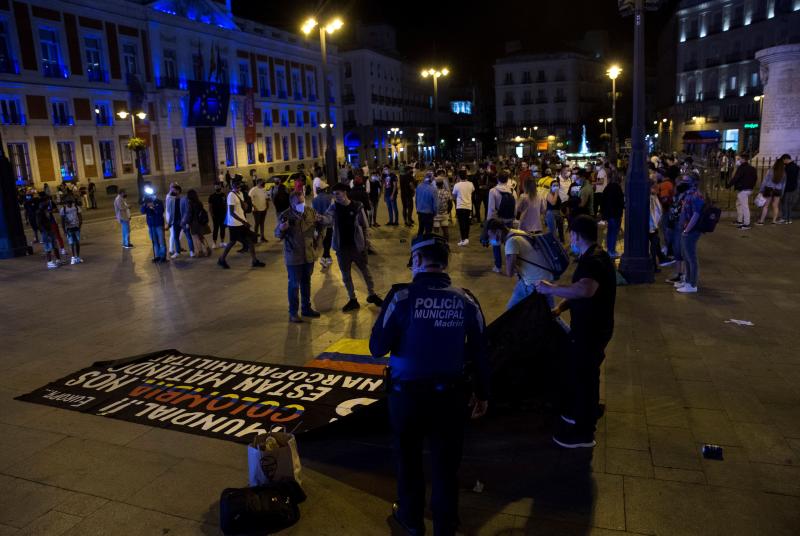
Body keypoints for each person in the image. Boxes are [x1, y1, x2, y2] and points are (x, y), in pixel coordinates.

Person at [369, 234, 489, 536]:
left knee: (408, 459)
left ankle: (411, 519)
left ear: (419, 260)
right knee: (446, 465)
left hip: (406, 398)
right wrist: (483, 393)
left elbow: (376, 347)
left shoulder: (401, 297)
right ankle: (445, 525)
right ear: (445, 262)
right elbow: (480, 351)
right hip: (450, 398)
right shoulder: (466, 299)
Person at [535, 215, 616, 448]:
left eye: (571, 233)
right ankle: (581, 411)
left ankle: (584, 432)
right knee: (582, 373)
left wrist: (552, 288)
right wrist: (561, 307)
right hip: (590, 327)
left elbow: (585, 289)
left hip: (592, 330)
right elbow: (580, 291)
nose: (569, 237)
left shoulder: (593, 261)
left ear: (576, 235)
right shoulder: (592, 256)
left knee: (585, 377)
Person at [322, 183, 384, 312]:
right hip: (341, 248)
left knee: (366, 272)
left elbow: (365, 225)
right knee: (346, 275)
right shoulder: (334, 207)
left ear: (345, 192)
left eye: (338, 194)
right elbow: (327, 219)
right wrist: (320, 218)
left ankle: (372, 294)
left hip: (357, 246)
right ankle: (352, 299)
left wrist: (366, 243)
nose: (336, 197)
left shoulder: (357, 206)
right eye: (334, 194)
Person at [486, 219, 556, 309]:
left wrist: (511, 262)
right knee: (512, 309)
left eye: (491, 236)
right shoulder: (516, 232)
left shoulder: (511, 242)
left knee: (547, 317)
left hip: (536, 284)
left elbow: (509, 273)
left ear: (498, 232)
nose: (491, 240)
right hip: (539, 278)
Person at [275, 191, 321, 322]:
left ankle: (306, 308)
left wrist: (317, 241)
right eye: (299, 202)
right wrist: (282, 229)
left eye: (303, 201)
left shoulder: (310, 212)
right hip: (294, 257)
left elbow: (319, 227)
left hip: (309, 255)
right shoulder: (285, 215)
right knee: (294, 285)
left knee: (306, 283)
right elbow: (277, 234)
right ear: (292, 203)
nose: (302, 204)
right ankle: (293, 312)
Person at [217, 180, 265, 269]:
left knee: (250, 241)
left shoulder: (240, 193)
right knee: (232, 242)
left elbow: (241, 209)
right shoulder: (231, 195)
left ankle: (254, 261)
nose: (238, 186)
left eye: (238, 185)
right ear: (232, 186)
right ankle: (222, 259)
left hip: (241, 222)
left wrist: (244, 217)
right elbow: (231, 213)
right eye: (236, 185)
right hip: (234, 224)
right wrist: (244, 222)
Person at [676, 175, 704, 293]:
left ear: (693, 182)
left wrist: (687, 230)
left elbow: (696, 214)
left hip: (692, 230)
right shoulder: (688, 194)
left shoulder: (695, 196)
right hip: (686, 229)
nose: (683, 182)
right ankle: (687, 281)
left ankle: (692, 284)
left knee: (691, 257)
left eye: (686, 180)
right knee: (686, 255)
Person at [486, 173, 517, 272]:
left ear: (497, 179)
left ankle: (498, 266)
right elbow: (515, 206)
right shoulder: (512, 190)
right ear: (507, 179)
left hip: (498, 221)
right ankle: (512, 266)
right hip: (509, 220)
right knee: (510, 243)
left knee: (496, 243)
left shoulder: (493, 191)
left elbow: (491, 208)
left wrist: (489, 222)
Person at [140, 184, 167, 263]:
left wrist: (153, 207)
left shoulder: (158, 202)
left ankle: (163, 256)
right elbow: (142, 211)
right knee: (154, 241)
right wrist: (145, 205)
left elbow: (160, 212)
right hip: (151, 225)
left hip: (158, 224)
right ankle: (157, 256)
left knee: (161, 241)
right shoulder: (146, 202)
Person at [728, 154, 757, 230]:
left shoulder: (741, 168)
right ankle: (740, 220)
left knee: (744, 206)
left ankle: (746, 224)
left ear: (743, 159)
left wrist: (729, 185)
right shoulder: (752, 168)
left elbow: (736, 178)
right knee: (738, 204)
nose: (738, 160)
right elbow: (755, 179)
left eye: (739, 159)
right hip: (748, 189)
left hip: (743, 189)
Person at [601, 173, 624, 257]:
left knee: (610, 232)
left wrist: (603, 214)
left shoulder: (608, 187)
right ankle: (612, 251)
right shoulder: (617, 188)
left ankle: (609, 250)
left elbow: (603, 200)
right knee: (613, 233)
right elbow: (620, 202)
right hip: (615, 213)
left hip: (609, 213)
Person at [311, 182, 334, 268]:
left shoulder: (314, 200)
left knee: (321, 240)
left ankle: (324, 256)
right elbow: (333, 211)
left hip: (319, 224)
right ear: (325, 189)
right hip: (328, 223)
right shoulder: (330, 198)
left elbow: (312, 212)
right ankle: (326, 256)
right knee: (328, 239)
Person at [757, 158, 785, 225]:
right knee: (775, 206)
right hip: (778, 190)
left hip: (769, 189)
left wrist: (761, 189)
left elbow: (765, 181)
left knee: (766, 206)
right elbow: (784, 184)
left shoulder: (770, 171)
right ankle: (774, 221)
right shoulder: (784, 173)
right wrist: (782, 193)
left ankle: (761, 221)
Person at [36, 194, 62, 269]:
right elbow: (39, 224)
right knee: (47, 247)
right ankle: (49, 262)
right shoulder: (39, 212)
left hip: (50, 230)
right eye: (46, 201)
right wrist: (44, 231)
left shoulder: (46, 211)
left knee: (54, 245)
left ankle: (58, 260)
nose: (48, 202)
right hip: (46, 232)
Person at [185, 189, 212, 256]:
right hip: (200, 222)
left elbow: (190, 214)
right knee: (201, 236)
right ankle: (207, 248)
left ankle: (200, 252)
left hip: (194, 223)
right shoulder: (199, 202)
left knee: (195, 237)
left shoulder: (190, 203)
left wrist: (187, 222)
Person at [452, 170, 475, 246]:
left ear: (459, 176)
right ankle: (466, 238)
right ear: (466, 176)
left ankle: (463, 239)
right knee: (467, 223)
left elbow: (454, 195)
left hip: (460, 206)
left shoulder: (457, 185)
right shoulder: (470, 184)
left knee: (461, 224)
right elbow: (472, 191)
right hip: (468, 206)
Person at [60, 196, 83, 264]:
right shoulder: (63, 209)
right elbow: (62, 221)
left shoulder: (75, 207)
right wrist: (64, 230)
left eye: (70, 202)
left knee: (76, 243)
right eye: (68, 203)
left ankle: (77, 257)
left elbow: (80, 217)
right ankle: (74, 257)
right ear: (66, 203)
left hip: (75, 227)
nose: (69, 204)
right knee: (72, 243)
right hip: (69, 228)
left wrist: (79, 226)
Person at [414, 172, 438, 237]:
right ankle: (427, 244)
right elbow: (435, 204)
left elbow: (416, 200)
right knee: (428, 230)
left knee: (420, 228)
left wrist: (418, 209)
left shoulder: (418, 187)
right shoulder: (433, 189)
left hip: (420, 212)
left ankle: (419, 243)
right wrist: (435, 212)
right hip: (429, 213)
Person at [780, 154, 798, 224]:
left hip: (787, 188)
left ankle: (784, 218)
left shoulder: (787, 167)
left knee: (784, 203)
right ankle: (789, 219)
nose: (783, 162)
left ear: (786, 159)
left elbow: (785, 179)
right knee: (789, 204)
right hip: (794, 188)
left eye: (783, 161)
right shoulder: (796, 166)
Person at [433, 177, 453, 241]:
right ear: (442, 184)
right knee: (445, 229)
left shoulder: (433, 193)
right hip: (444, 214)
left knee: (436, 231)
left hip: (436, 215)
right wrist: (448, 211)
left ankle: (436, 242)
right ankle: (446, 241)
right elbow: (450, 204)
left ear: (436, 184)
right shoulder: (447, 192)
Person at [208, 183, 227, 248]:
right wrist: (211, 214)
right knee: (215, 229)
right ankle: (214, 243)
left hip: (223, 215)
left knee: (223, 228)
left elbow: (225, 204)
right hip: (215, 216)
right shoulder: (211, 196)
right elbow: (210, 207)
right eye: (216, 187)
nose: (217, 188)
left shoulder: (223, 195)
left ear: (220, 187)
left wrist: (226, 213)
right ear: (214, 188)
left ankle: (222, 242)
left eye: (218, 187)